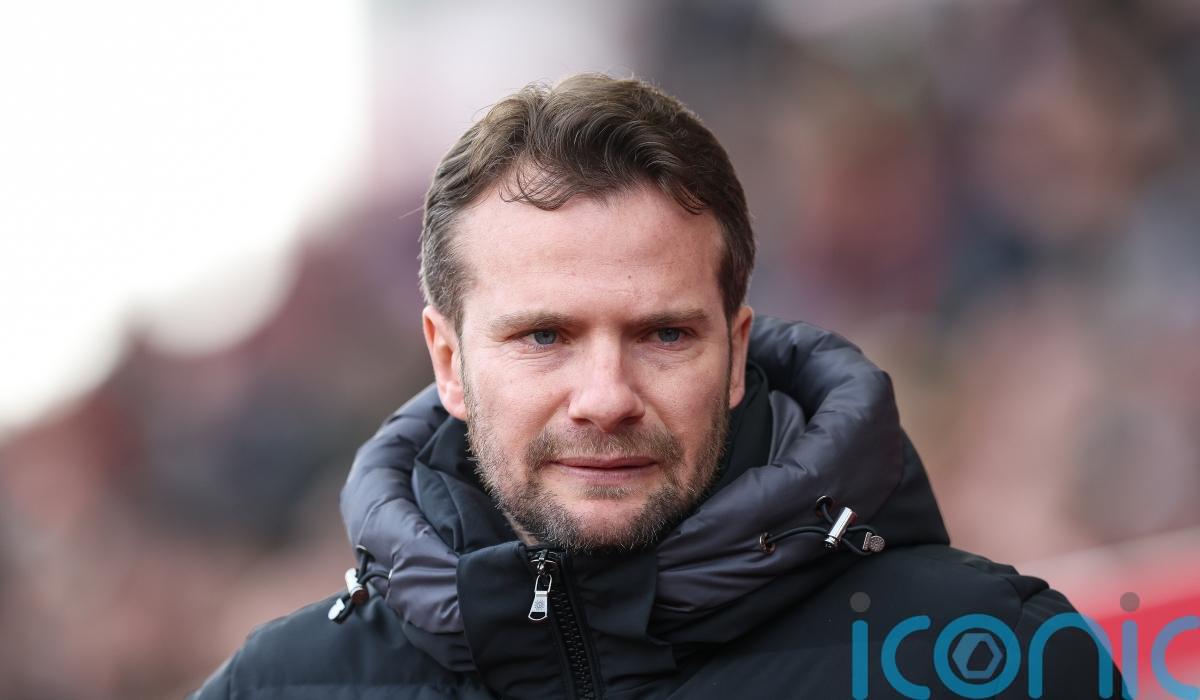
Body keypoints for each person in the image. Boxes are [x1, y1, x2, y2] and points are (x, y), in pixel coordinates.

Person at [191, 74, 1121, 699]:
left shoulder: (993, 659)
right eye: (544, 336)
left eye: (664, 334)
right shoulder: (280, 687)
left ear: (735, 352)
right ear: (449, 364)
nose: (606, 397)